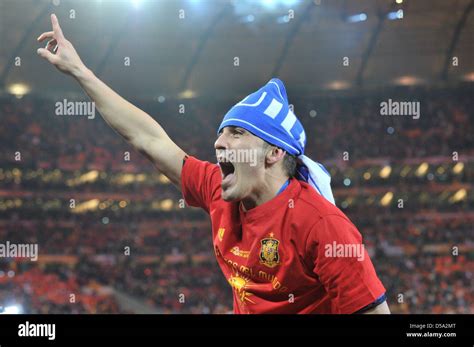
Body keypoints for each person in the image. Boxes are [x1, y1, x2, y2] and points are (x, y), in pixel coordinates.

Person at [37, 14, 390, 314]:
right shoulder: (218, 190)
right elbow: (149, 139)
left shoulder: (322, 226)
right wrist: (81, 72)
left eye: (236, 133)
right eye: (222, 133)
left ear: (274, 152)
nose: (219, 142)